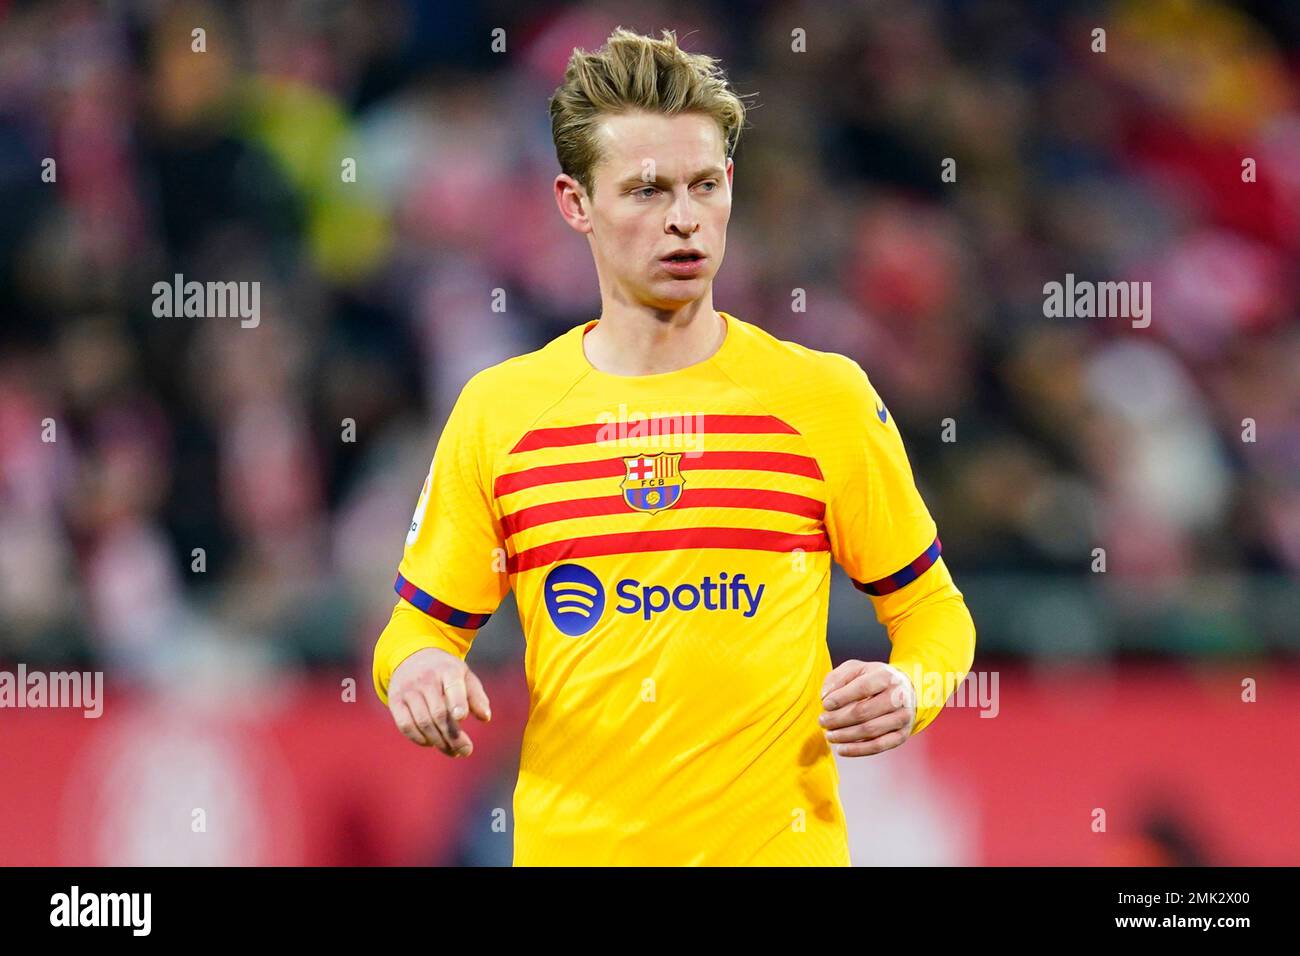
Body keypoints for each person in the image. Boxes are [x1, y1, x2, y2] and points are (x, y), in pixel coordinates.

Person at [373, 26, 975, 866]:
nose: (685, 220)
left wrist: (913, 689)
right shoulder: (501, 413)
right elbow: (417, 630)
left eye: (704, 185)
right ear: (574, 203)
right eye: (647, 191)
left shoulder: (823, 399)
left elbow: (931, 610)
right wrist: (416, 673)